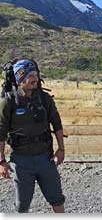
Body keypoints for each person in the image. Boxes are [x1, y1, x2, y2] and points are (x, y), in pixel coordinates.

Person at [0, 59, 65, 213]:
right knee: (22, 206)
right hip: (21, 162)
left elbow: (57, 124)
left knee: (57, 199)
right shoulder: (8, 102)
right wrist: (1, 161)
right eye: (30, 76)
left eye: (36, 74)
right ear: (19, 78)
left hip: (45, 159)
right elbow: (1, 132)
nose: (35, 79)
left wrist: (61, 149)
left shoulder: (44, 99)